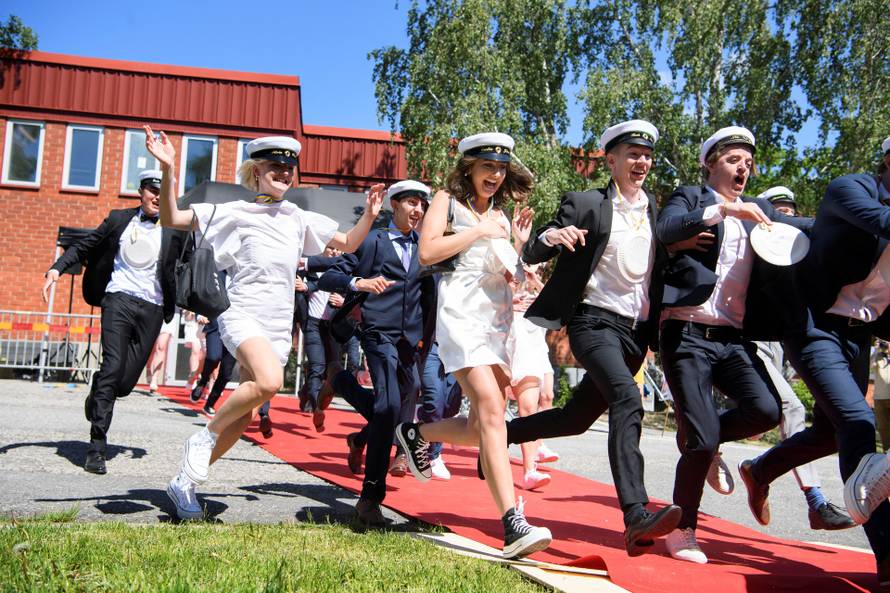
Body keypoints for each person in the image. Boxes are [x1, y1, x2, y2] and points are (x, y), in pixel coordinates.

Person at [144, 127, 384, 520]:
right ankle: (203, 437)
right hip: (241, 314)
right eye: (275, 166)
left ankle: (183, 483)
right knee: (270, 382)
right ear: (256, 172)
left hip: (277, 326)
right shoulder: (235, 211)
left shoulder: (297, 216)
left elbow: (348, 242)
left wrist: (371, 214)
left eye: (289, 168)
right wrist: (170, 168)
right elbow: (171, 217)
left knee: (245, 416)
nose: (284, 173)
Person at [500, 120, 681, 557]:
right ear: (611, 160)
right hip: (592, 324)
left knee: (575, 419)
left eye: (647, 156)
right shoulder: (586, 203)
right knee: (627, 398)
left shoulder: (658, 213)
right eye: (632, 154)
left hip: (634, 335)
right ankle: (636, 516)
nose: (641, 162)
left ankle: (502, 434)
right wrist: (552, 235)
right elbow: (534, 249)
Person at [737, 137, 890, 589]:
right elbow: (883, 221)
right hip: (815, 327)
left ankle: (760, 470)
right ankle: (887, 554)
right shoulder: (850, 190)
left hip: (859, 334)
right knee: (858, 424)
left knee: (828, 432)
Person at [656, 126, 813, 564]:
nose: (743, 168)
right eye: (733, 160)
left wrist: (842, 224)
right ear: (711, 164)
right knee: (703, 440)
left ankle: (701, 436)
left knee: (766, 410)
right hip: (686, 332)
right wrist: (722, 210)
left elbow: (801, 228)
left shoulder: (761, 210)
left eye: (748, 162)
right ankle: (683, 529)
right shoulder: (691, 198)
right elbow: (666, 228)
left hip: (733, 339)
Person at [394, 133, 552, 559]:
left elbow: (507, 272)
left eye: (501, 168)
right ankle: (512, 523)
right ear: (469, 168)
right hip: (460, 317)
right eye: (488, 167)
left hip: (497, 322)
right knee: (492, 410)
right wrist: (479, 230)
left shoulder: (500, 215)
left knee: (484, 425)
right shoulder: (447, 201)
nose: (496, 175)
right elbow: (427, 252)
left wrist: (519, 250)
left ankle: (416, 433)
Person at [42, 168, 181, 475]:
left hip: (153, 308)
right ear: (141, 192)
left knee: (125, 383)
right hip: (118, 300)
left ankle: (99, 389)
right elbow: (85, 245)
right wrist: (56, 269)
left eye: (163, 191)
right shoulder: (119, 219)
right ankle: (96, 446)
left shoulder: (176, 228)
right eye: (152, 190)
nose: (157, 197)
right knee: (112, 366)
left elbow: (189, 265)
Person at [318, 179, 436, 526]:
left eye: (422, 205)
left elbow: (430, 298)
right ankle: (370, 499)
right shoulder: (373, 240)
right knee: (388, 407)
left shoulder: (426, 248)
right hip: (377, 334)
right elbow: (329, 277)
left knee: (397, 404)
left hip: (410, 342)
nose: (417, 210)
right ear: (393, 205)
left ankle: (343, 390)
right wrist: (359, 283)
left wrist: (425, 341)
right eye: (411, 203)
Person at [743, 186, 855, 531]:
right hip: (748, 341)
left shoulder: (802, 251)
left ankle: (748, 463)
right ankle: (816, 501)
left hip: (784, 343)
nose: (787, 217)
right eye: (779, 211)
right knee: (790, 407)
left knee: (832, 425)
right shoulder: (751, 243)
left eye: (791, 211)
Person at [507, 264, 556, 490]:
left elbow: (557, 304)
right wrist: (509, 302)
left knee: (528, 411)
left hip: (531, 357)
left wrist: (535, 280)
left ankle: (529, 471)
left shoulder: (539, 292)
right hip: (504, 354)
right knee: (492, 414)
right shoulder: (508, 285)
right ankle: (489, 457)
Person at [145, 309, 178, 393]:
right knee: (151, 349)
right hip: (153, 312)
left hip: (168, 315)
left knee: (161, 347)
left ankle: (154, 378)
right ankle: (148, 368)